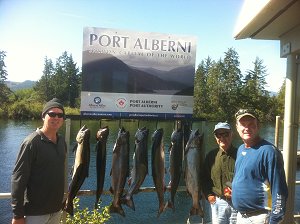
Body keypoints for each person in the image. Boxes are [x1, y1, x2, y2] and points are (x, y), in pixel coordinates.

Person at [11, 98, 67, 224]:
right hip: (35, 214)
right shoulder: (31, 143)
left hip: (56, 210)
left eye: (60, 115)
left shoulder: (62, 141)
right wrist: (17, 215)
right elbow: (18, 180)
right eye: (52, 114)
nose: (56, 117)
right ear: (43, 116)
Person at [232, 109, 288, 224]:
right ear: (237, 127)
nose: (246, 128)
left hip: (260, 218)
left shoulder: (269, 152)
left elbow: (280, 190)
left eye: (251, 124)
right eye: (243, 124)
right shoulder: (241, 149)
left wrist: (275, 220)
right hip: (240, 216)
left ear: (258, 126)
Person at [203, 122, 238, 224]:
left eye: (225, 134)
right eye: (219, 135)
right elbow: (204, 178)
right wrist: (209, 195)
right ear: (215, 137)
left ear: (232, 135)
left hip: (237, 202)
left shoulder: (240, 153)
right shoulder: (211, 156)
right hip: (218, 202)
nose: (222, 137)